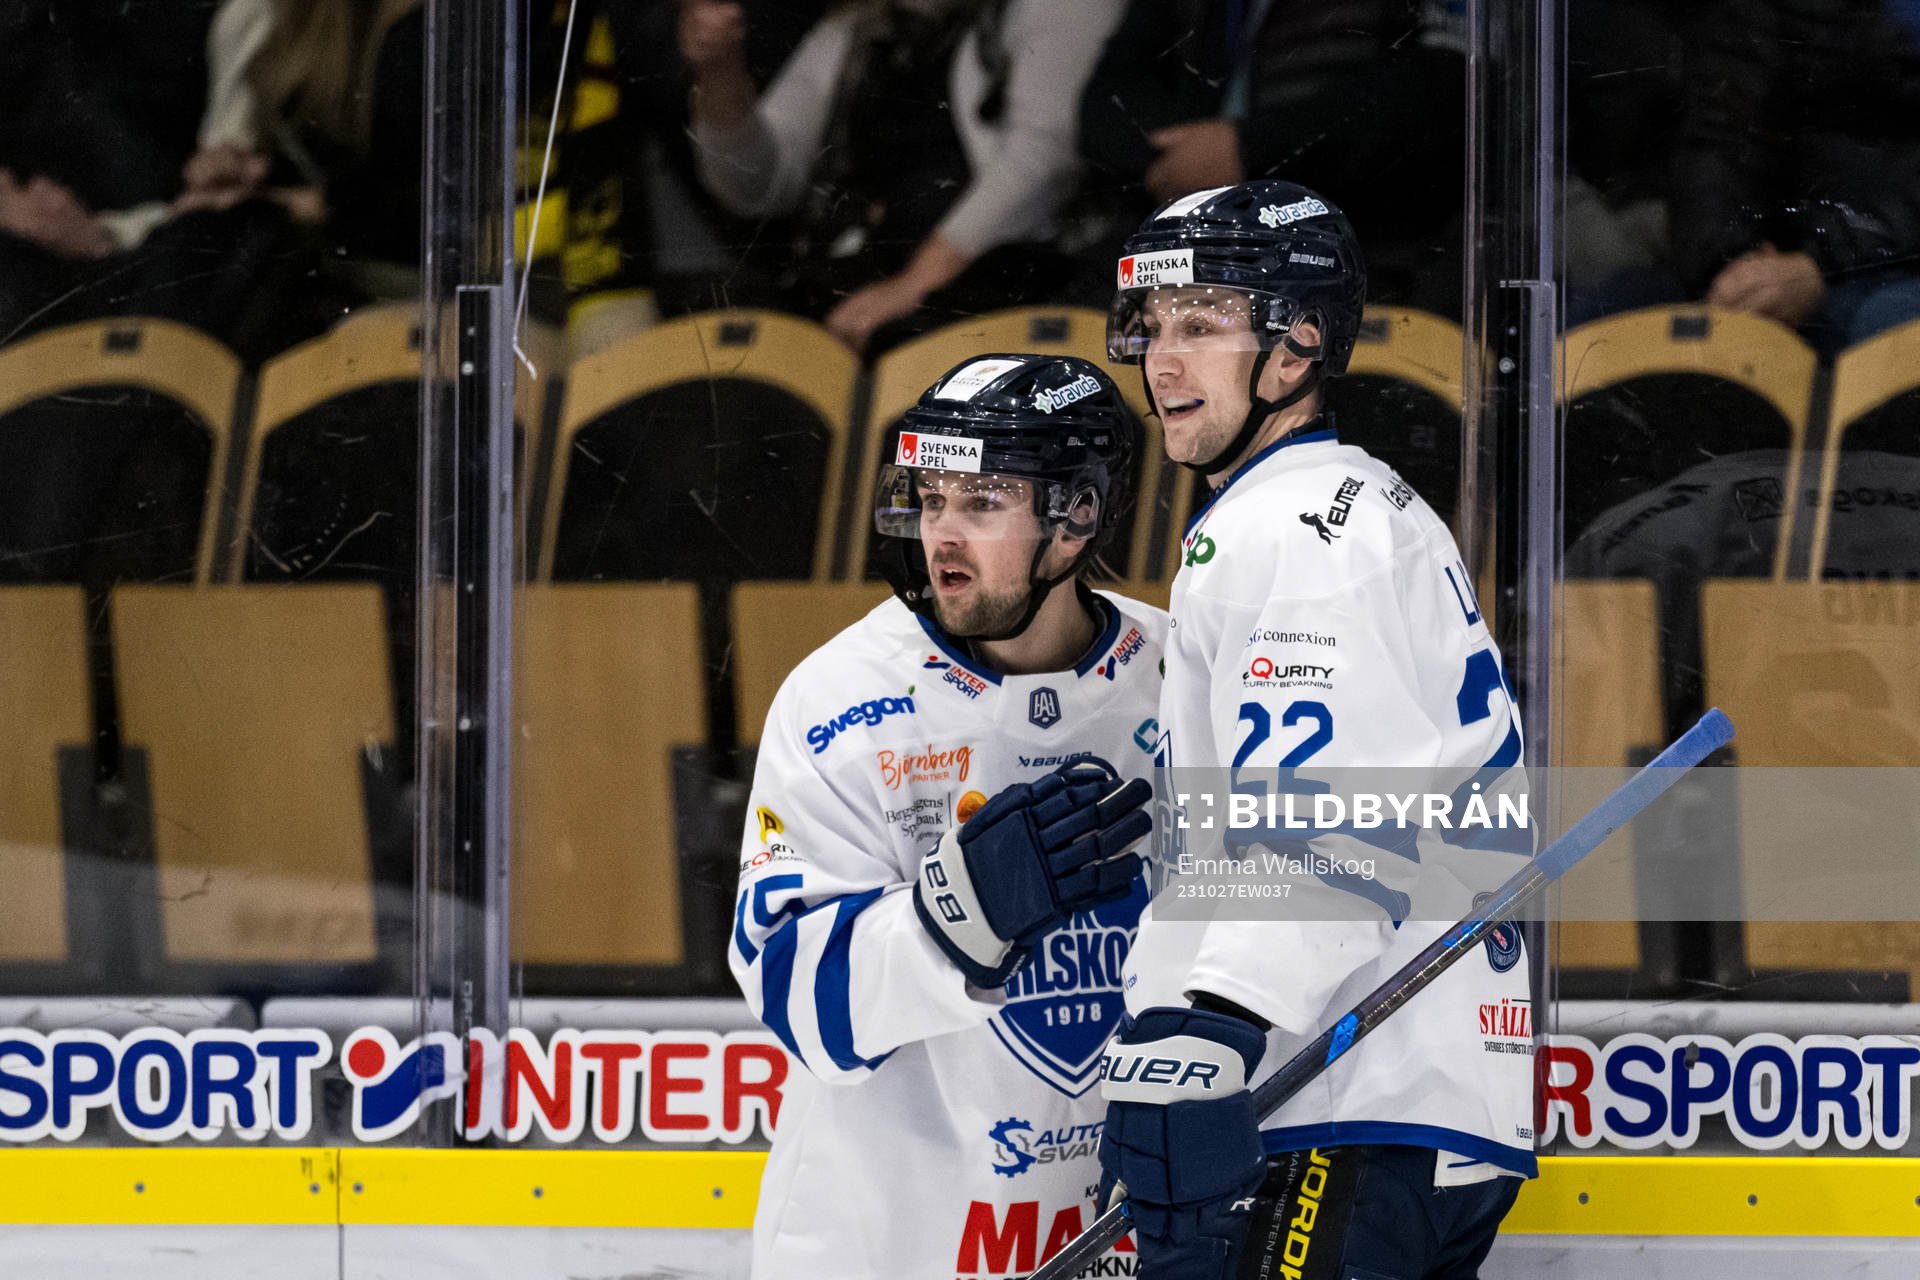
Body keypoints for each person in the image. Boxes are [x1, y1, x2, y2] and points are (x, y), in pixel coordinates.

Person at [1093, 181, 1533, 1277]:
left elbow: (1333, 814)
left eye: (1201, 325)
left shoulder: (1289, 529)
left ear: (1295, 349)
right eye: (1154, 328)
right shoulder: (1345, 504)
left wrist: (1217, 1023)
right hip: (1406, 1095)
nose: (1163, 360)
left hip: (1349, 1101)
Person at [732, 354, 1166, 1277]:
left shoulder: (1178, 673)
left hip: (1114, 1236)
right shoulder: (840, 697)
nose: (944, 536)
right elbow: (793, 998)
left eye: (983, 502)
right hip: (891, 1243)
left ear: (1076, 514)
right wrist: (958, 911)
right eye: (933, 501)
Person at [680, 0, 1124, 353]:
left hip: (992, 291)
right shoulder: (859, 23)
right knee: (710, 326)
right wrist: (720, 70)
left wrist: (911, 285)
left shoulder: (1059, 7)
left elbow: (1044, 160)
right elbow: (756, 188)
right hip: (852, 283)